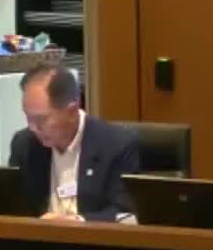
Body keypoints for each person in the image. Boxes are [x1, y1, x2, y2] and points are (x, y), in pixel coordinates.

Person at [9, 63, 139, 222]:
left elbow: (124, 213)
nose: (33, 127)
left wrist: (76, 222)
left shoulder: (116, 144)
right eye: (28, 117)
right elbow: (14, 207)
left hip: (92, 236)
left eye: (41, 119)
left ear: (71, 111)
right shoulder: (24, 144)